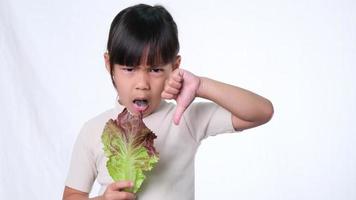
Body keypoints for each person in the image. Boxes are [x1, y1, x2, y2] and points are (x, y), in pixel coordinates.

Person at [62, 3, 273, 200]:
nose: (142, 84)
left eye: (155, 70)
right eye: (129, 69)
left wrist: (201, 86)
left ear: (175, 66)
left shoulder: (184, 118)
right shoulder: (93, 130)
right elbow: (71, 195)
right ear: (109, 64)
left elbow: (261, 112)